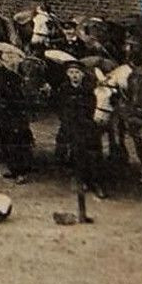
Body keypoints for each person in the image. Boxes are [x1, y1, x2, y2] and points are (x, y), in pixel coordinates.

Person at [53, 61, 105, 198]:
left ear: (82, 75)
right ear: (67, 74)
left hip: (88, 125)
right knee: (77, 152)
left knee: (94, 154)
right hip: (72, 126)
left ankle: (96, 183)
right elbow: (60, 109)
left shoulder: (89, 90)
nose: (74, 76)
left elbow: (95, 106)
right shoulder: (64, 89)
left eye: (77, 73)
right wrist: (67, 122)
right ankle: (80, 180)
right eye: (71, 73)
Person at [0, 49, 34, 181]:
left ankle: (21, 172)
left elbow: (18, 96)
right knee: (4, 142)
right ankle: (12, 169)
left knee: (16, 143)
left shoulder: (11, 76)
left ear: (1, 60)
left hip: (12, 114)